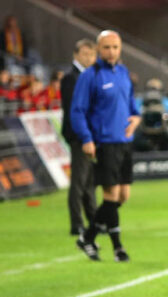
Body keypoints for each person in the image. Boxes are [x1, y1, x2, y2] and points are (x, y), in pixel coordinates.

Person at [71, 30, 141, 262]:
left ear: (120, 49)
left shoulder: (123, 73)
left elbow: (132, 107)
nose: (111, 52)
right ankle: (118, 248)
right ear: (99, 49)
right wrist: (87, 139)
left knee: (123, 196)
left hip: (124, 142)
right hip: (105, 142)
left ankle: (88, 237)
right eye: (106, 47)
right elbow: (77, 111)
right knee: (111, 195)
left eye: (115, 47)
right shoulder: (90, 76)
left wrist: (136, 119)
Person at [61, 38, 97, 236]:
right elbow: (74, 109)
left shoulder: (88, 77)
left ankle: (93, 220)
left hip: (89, 135)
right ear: (76, 55)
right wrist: (83, 137)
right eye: (85, 54)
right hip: (79, 136)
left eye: (92, 54)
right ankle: (77, 224)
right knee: (79, 182)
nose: (89, 58)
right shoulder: (71, 78)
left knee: (89, 181)